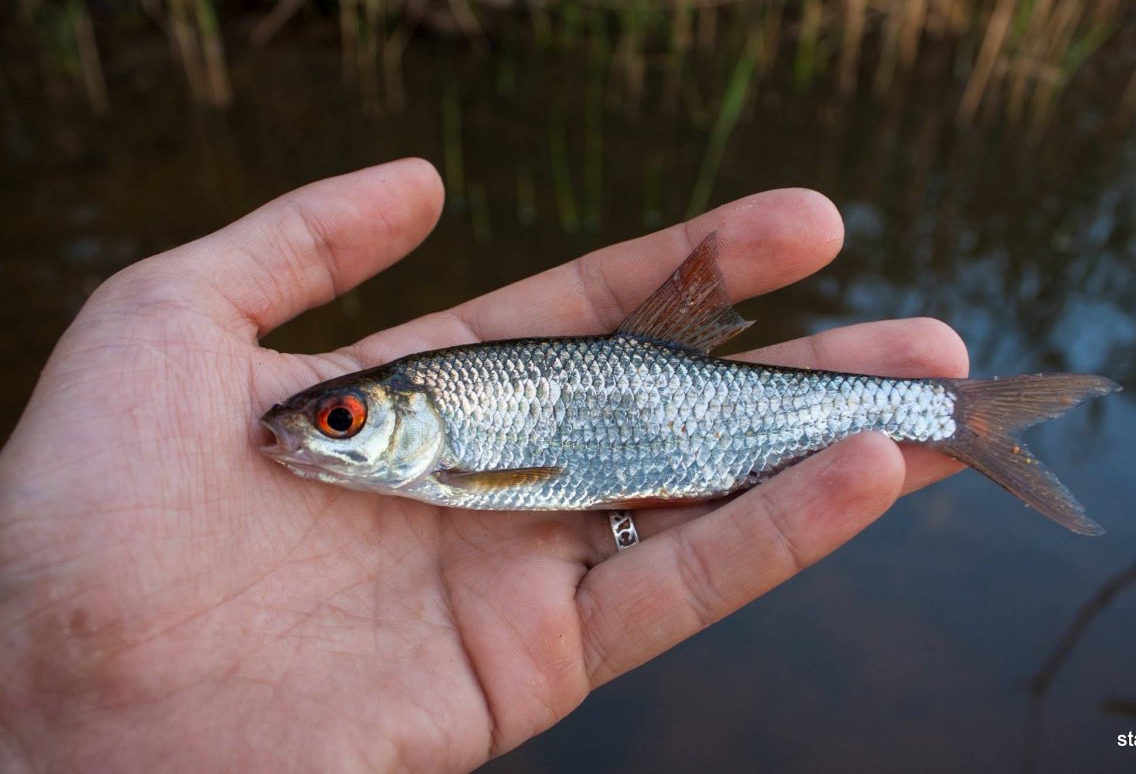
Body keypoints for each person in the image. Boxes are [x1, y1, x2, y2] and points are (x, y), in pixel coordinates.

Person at [0, 159, 966, 772]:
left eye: (339, 418)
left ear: (412, 418)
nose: (310, 434)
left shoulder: (452, 460)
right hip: (662, 420)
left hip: (680, 410)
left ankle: (952, 416)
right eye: (339, 417)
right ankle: (946, 415)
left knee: (906, 409)